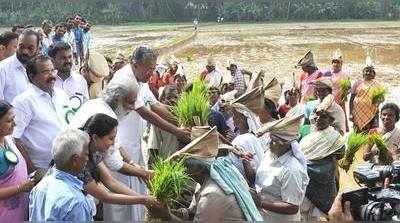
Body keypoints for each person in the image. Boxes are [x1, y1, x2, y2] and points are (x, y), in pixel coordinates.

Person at [105, 44, 190, 222]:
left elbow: (156, 105)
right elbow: (145, 112)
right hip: (118, 144)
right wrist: (178, 132)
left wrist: (183, 116)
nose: (151, 73)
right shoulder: (125, 79)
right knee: (122, 201)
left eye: (153, 68)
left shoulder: (141, 81)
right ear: (134, 64)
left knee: (137, 195)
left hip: (135, 146)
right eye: (149, 69)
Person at [157, 127, 263, 222]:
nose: (182, 171)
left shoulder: (211, 194)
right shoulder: (209, 178)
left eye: (185, 166)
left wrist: (167, 217)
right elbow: (191, 213)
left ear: (196, 169)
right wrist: (170, 212)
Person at [12, 55, 70, 172]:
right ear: (32, 76)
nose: (52, 75)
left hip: (66, 162)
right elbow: (14, 139)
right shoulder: (23, 101)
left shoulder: (61, 94)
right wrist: (32, 169)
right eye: (45, 72)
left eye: (53, 70)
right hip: (41, 167)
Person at [247, 114, 309, 222]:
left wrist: (261, 203)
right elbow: (260, 179)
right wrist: (245, 161)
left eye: (274, 141)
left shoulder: (292, 169)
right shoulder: (269, 155)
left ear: (286, 144)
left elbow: (293, 207)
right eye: (270, 140)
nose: (270, 144)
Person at [29, 129, 93, 221]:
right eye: (86, 154)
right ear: (75, 160)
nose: (87, 159)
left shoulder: (40, 186)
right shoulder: (76, 202)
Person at [0, 100, 43, 222]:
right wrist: (19, 188)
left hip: (20, 209)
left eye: (14, 119)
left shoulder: (8, 139)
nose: (15, 124)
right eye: (9, 121)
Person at [300, 106, 345, 220]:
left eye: (324, 116)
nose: (319, 119)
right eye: (317, 116)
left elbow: (341, 153)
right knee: (305, 212)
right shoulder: (307, 135)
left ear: (331, 120)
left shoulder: (335, 137)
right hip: (307, 180)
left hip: (324, 181)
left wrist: (324, 158)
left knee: (323, 215)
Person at [0, 30, 40, 102]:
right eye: (21, 47)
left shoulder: (40, 68)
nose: (25, 51)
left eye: (30, 48)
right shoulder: (3, 69)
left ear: (37, 49)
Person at [228, 103, 264, 183]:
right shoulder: (251, 136)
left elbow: (251, 173)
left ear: (242, 119)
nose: (232, 118)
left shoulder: (241, 140)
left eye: (234, 115)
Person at [148, 85, 179, 162]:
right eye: (169, 98)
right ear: (163, 100)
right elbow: (153, 147)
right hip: (167, 161)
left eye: (175, 97)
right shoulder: (158, 120)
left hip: (184, 161)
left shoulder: (185, 117)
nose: (172, 100)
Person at [350, 64, 382, 133]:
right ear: (363, 73)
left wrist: (378, 101)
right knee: (358, 133)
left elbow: (382, 99)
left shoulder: (377, 85)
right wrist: (350, 113)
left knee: (372, 133)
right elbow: (351, 99)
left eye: (370, 71)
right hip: (357, 113)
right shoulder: (357, 83)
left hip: (373, 113)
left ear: (374, 74)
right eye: (366, 71)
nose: (368, 73)